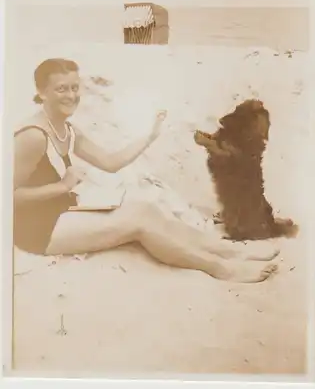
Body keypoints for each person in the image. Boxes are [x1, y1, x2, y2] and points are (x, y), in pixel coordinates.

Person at [14, 58, 279, 283]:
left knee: (146, 209)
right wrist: (61, 187)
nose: (71, 96)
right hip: (37, 230)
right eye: (61, 89)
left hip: (62, 210)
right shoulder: (33, 136)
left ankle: (227, 251)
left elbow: (110, 162)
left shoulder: (66, 128)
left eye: (74, 87)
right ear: (41, 91)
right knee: (138, 224)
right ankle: (221, 268)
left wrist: (149, 137)